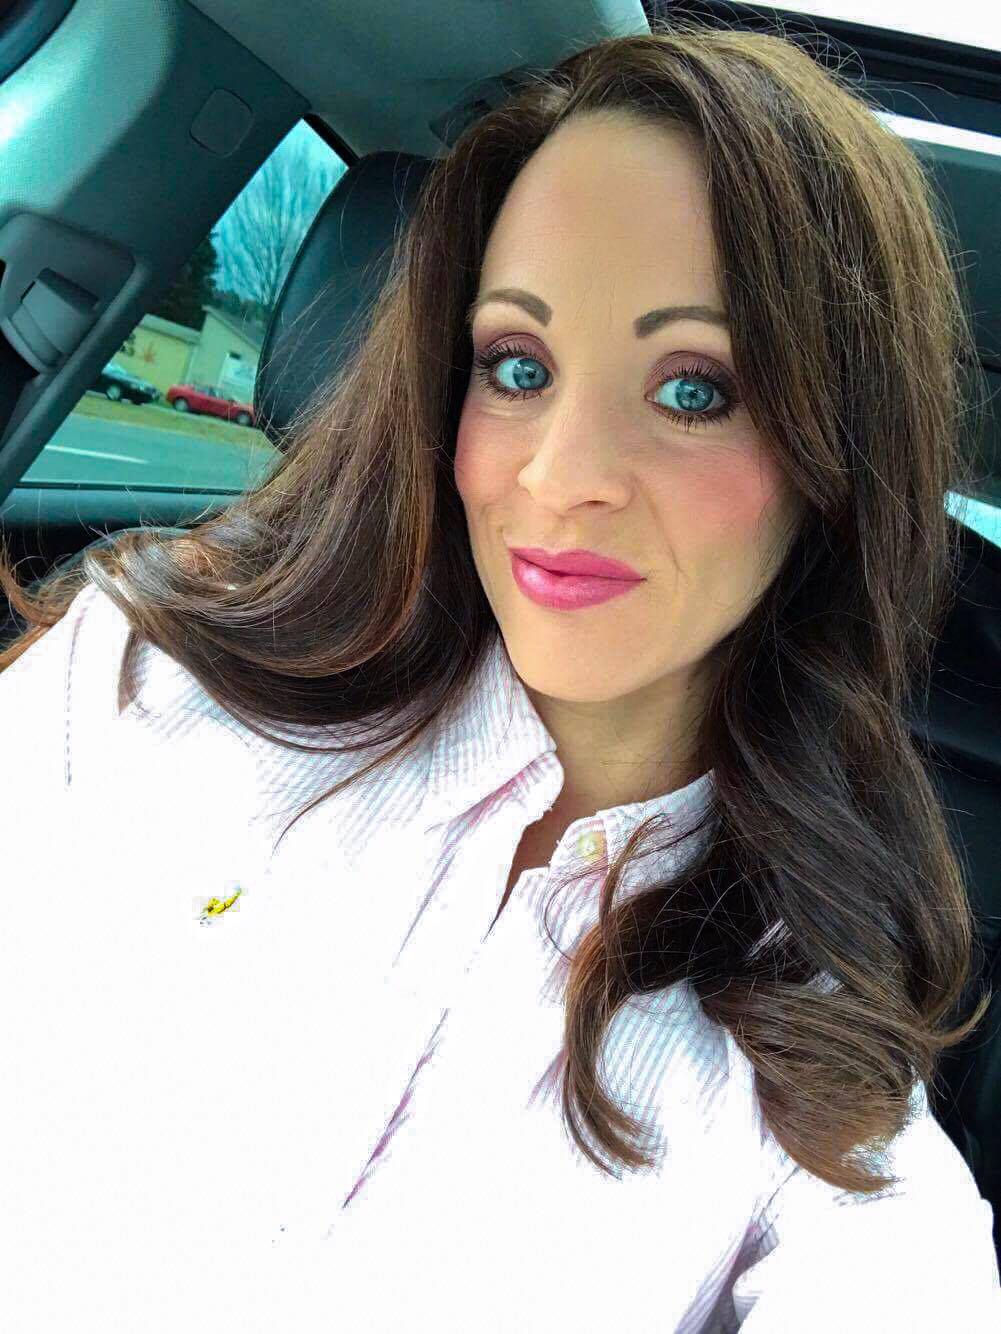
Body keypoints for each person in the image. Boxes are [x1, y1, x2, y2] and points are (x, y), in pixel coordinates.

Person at [1, 16, 999, 1332]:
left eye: (695, 389)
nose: (559, 473)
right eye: (516, 367)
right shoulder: (146, 673)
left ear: (833, 464)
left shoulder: (818, 1120)